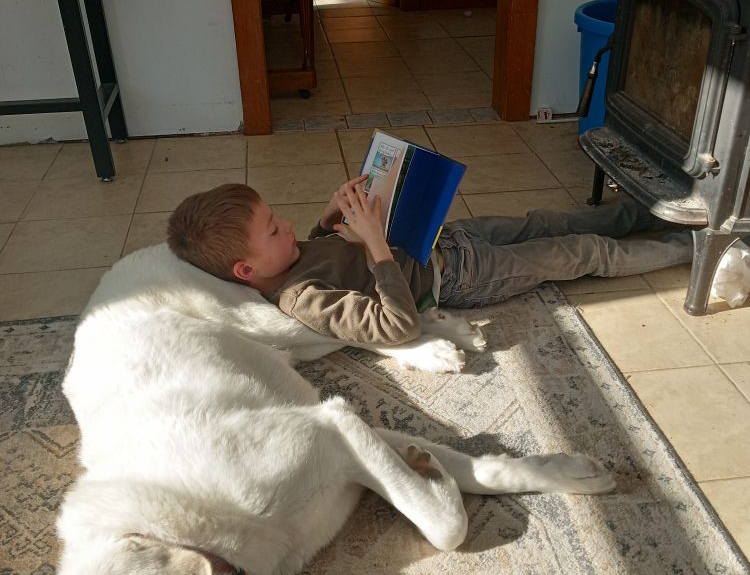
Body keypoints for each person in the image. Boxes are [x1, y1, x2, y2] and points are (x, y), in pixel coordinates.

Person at [166, 178, 693, 347]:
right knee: (580, 253)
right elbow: (396, 326)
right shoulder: (302, 302)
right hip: (460, 276)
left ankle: (658, 211)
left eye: (278, 218)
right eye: (272, 229)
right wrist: (374, 246)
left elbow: (318, 253)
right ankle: (694, 250)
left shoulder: (288, 259)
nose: (286, 228)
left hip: (447, 239)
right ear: (245, 272)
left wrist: (329, 216)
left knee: (549, 220)